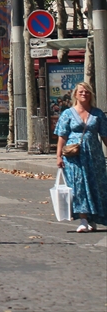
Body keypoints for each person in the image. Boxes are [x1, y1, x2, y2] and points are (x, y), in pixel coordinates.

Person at [54, 81, 107, 232]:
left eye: (87, 92)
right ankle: (83, 219)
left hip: (94, 156)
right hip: (74, 157)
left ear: (91, 95)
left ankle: (93, 218)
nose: (84, 94)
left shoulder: (98, 114)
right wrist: (58, 156)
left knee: (95, 185)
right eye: (81, 92)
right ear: (75, 95)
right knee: (78, 186)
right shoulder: (67, 114)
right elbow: (62, 136)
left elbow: (104, 136)